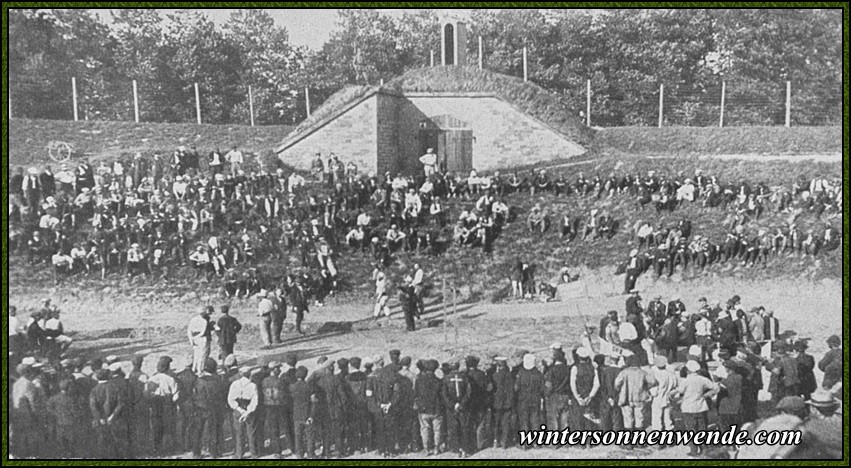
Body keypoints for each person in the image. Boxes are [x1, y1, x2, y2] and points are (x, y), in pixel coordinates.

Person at [674, 360, 719, 456]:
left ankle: (694, 451)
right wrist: (707, 395)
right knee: (702, 428)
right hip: (701, 406)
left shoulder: (685, 381)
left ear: (688, 370)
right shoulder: (703, 379)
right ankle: (704, 449)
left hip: (688, 407)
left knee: (691, 429)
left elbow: (680, 391)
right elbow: (716, 388)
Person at [191, 357, 225, 459]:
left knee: (198, 430)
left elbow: (194, 395)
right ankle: (213, 453)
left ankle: (196, 453)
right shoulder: (217, 381)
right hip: (212, 409)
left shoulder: (198, 380)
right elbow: (219, 396)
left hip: (199, 408)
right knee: (213, 431)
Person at [414, 359, 444, 455]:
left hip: (423, 409)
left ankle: (426, 449)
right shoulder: (439, 381)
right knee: (437, 430)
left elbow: (415, 394)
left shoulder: (419, 381)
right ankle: (436, 448)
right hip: (436, 409)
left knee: (425, 429)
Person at [514, 353, 544, 450]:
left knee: (524, 421)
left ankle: (524, 444)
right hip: (535, 400)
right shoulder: (539, 374)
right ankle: (536, 443)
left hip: (523, 400)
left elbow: (516, 388)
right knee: (535, 421)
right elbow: (542, 388)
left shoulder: (521, 373)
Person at [228, 366, 260, 459]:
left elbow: (230, 399)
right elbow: (255, 401)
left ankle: (239, 453)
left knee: (239, 432)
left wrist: (240, 410)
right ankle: (254, 453)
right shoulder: (253, 385)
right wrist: (247, 412)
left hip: (238, 410)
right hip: (249, 409)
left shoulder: (235, 384)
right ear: (249, 374)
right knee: (251, 432)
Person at [187, 307, 214, 374]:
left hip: (194, 338)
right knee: (202, 356)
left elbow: (189, 331)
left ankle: (193, 369)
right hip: (202, 339)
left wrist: (191, 339)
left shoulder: (193, 320)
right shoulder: (204, 321)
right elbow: (202, 332)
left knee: (196, 355)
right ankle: (200, 370)